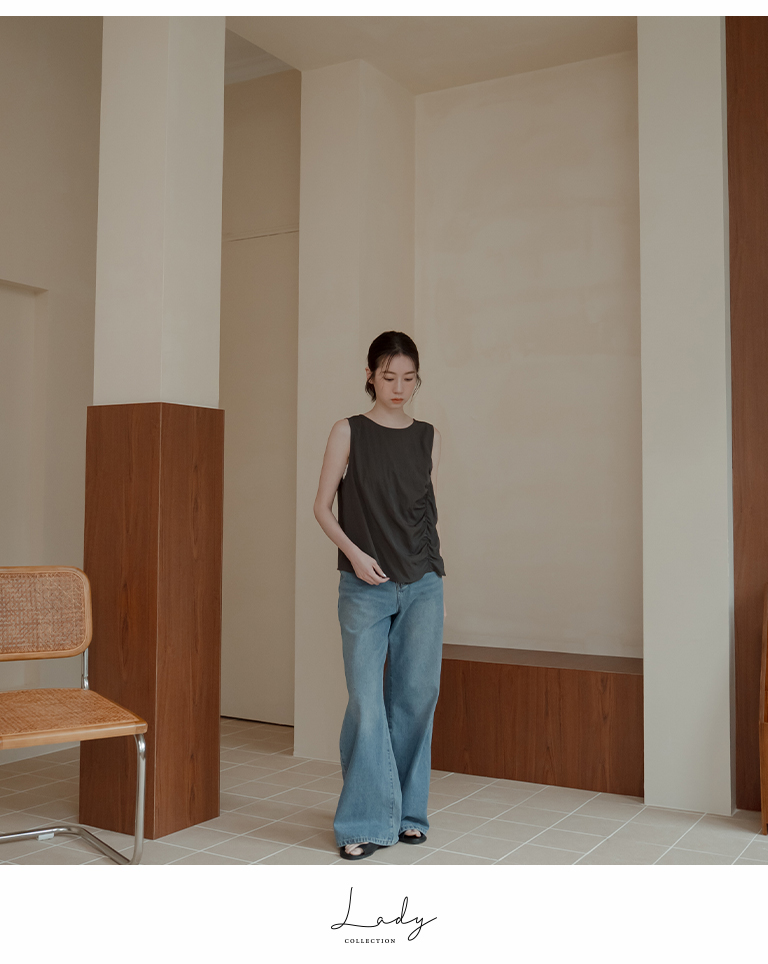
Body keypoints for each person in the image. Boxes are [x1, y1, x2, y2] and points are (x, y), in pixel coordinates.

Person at [313, 330, 446, 861]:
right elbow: (322, 507)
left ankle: (409, 814)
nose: (399, 387)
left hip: (423, 583)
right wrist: (355, 555)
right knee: (367, 704)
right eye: (389, 376)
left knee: (415, 697)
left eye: (409, 378)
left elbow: (424, 508)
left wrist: (433, 569)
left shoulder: (427, 436)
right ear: (370, 375)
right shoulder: (348, 431)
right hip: (364, 586)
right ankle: (364, 822)